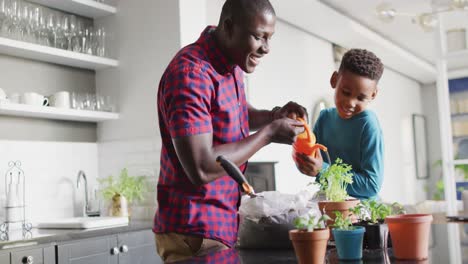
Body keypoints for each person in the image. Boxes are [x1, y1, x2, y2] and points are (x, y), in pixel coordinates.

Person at [153, 0, 308, 262]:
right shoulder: (191, 74)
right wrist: (269, 133)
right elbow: (201, 167)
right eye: (259, 37)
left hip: (219, 223)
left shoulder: (229, 63)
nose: (266, 48)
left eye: (270, 38)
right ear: (229, 28)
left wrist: (273, 115)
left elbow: (236, 112)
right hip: (193, 228)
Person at [295, 48, 385, 200]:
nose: (351, 103)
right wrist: (304, 159)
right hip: (329, 204)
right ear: (334, 80)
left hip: (362, 213)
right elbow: (314, 163)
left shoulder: (368, 124)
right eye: (346, 92)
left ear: (373, 94)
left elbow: (371, 184)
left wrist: (322, 170)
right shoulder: (324, 118)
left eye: (361, 98)